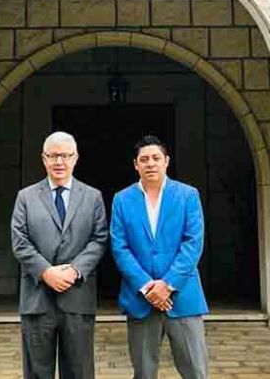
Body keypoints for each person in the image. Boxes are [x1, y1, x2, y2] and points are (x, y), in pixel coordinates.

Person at [110, 135, 210, 379]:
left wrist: (167, 285)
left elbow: (193, 243)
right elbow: (120, 248)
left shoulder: (188, 195)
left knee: (196, 371)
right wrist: (148, 287)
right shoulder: (122, 199)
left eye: (156, 158)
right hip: (140, 300)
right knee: (144, 372)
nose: (150, 163)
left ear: (166, 161)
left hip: (182, 296)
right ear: (136, 165)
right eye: (144, 159)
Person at [11, 131, 108, 379]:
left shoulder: (93, 197)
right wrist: (46, 272)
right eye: (53, 155)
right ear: (44, 159)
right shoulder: (26, 197)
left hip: (78, 297)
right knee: (37, 372)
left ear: (75, 158)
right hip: (37, 299)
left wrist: (75, 270)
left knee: (79, 372)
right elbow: (20, 241)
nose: (59, 162)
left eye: (65, 155)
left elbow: (99, 239)